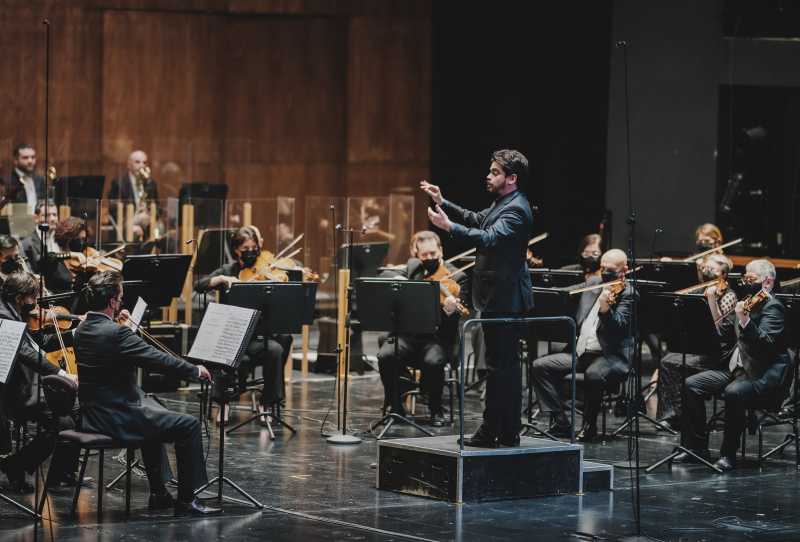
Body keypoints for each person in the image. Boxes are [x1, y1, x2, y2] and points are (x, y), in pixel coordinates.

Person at [74, 271, 218, 515]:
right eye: (120, 298)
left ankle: (159, 494)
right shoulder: (117, 334)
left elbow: (113, 351)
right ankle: (186, 500)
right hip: (117, 417)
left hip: (92, 414)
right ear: (112, 302)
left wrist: (122, 328)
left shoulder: (82, 329)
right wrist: (194, 370)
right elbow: (157, 359)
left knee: (154, 415)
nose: (121, 302)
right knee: (189, 425)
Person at [423, 148, 534, 447]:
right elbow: (476, 219)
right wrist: (442, 202)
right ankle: (509, 432)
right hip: (497, 297)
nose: (488, 175)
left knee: (500, 370)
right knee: (503, 368)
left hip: (506, 299)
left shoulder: (516, 209)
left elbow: (488, 238)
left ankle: (491, 431)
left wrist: (448, 227)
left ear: (511, 178)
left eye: (495, 172)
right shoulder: (504, 202)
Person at [676, 259, 790, 471]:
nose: (746, 281)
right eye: (745, 277)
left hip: (761, 372)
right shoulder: (747, 301)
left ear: (768, 282)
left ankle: (729, 454)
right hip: (736, 368)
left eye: (751, 278)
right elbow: (725, 333)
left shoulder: (773, 306)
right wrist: (712, 306)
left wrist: (746, 321)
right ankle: (696, 448)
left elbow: (767, 344)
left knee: (733, 392)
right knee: (691, 384)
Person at [531, 249, 636, 441]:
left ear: (624, 270)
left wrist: (605, 309)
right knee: (540, 367)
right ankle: (561, 423)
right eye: (602, 267)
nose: (604, 272)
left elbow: (618, 327)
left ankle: (590, 426)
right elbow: (567, 292)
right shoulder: (594, 283)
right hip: (581, 353)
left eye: (610, 269)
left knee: (594, 375)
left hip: (610, 356)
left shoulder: (628, 293)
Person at [195, 226, 293, 423]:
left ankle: (267, 403)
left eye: (254, 247)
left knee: (275, 347)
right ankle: (224, 402)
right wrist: (222, 279)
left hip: (257, 334)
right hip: (233, 335)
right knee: (230, 350)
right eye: (245, 248)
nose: (251, 251)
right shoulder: (228, 270)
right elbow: (199, 284)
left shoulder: (263, 269)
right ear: (236, 250)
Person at [0, 272, 81, 492]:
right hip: (12, 391)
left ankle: (55, 472)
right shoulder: (4, 315)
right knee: (63, 423)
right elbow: (25, 352)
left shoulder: (12, 312)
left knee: (72, 414)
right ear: (20, 297)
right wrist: (62, 374)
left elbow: (38, 345)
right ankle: (16, 465)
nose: (36, 303)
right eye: (33, 297)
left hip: (25, 384)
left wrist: (76, 332)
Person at [377, 230, 467, 427]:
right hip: (409, 335)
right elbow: (388, 274)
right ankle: (396, 407)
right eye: (424, 255)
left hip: (437, 337)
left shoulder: (457, 277)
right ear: (416, 254)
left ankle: (436, 409)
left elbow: (459, 316)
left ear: (441, 251)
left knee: (433, 361)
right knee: (385, 355)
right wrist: (397, 281)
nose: (429, 258)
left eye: (433, 254)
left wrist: (449, 311)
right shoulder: (413, 267)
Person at [655, 254, 738, 430]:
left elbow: (720, 331)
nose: (706, 271)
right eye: (705, 268)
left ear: (723, 274)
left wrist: (712, 301)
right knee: (668, 360)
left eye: (712, 268)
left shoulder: (729, 295)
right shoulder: (702, 288)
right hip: (701, 347)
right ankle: (673, 415)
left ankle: (673, 417)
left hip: (719, 353)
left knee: (672, 363)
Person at [1, 144, 44, 215]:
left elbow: (43, 203)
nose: (30, 161)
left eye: (33, 157)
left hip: (38, 220)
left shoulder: (40, 180)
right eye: (25, 158)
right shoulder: (6, 181)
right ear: (15, 160)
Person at [21, 200, 59, 273]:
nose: (52, 219)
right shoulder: (27, 244)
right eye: (46, 215)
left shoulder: (61, 238)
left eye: (55, 215)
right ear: (36, 218)